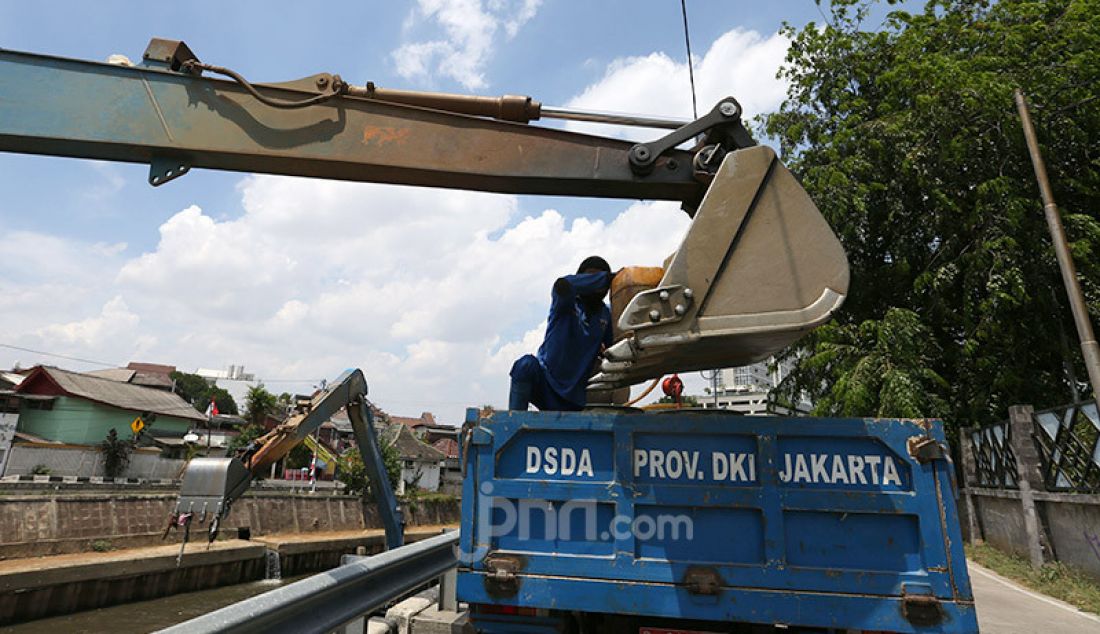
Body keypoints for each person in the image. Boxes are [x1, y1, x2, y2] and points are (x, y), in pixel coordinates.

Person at [509, 256, 614, 411]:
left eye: (599, 280)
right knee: (525, 365)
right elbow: (563, 284)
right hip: (546, 384)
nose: (595, 286)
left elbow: (614, 349)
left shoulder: (605, 315)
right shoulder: (565, 300)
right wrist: (606, 278)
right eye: (590, 278)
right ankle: (513, 422)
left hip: (575, 397)